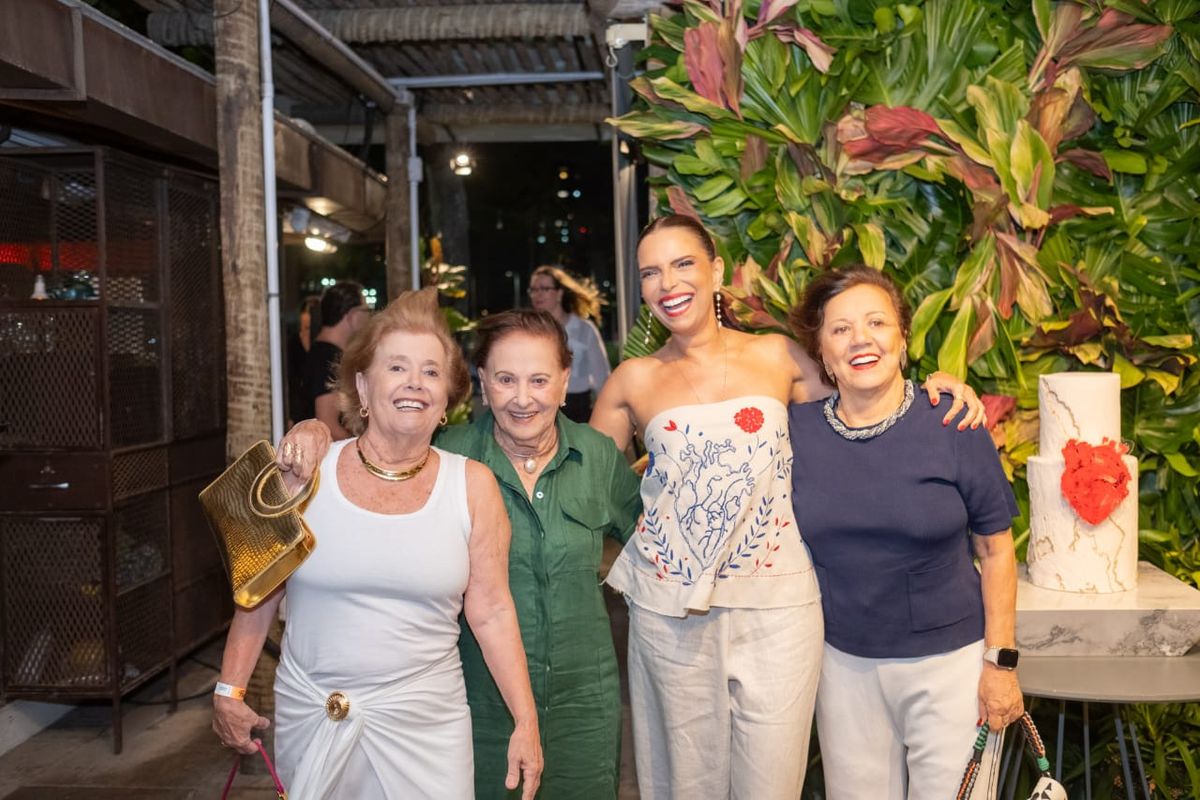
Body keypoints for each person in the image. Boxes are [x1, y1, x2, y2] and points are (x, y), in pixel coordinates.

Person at [589, 215, 986, 800]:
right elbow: (588, 483)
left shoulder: (777, 356)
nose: (667, 283)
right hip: (672, 616)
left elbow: (866, 410)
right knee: (685, 783)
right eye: (650, 271)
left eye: (682, 264)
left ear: (716, 270)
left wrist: (938, 391)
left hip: (779, 610)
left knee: (772, 786)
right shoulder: (632, 378)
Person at [282, 308, 643, 799]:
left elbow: (652, 540)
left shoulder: (597, 456)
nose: (522, 397)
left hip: (584, 701)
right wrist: (314, 430)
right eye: (505, 379)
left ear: (564, 382)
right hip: (478, 704)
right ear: (481, 383)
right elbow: (373, 462)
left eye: (539, 380)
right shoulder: (449, 457)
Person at [212, 288, 543, 800]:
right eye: (398, 368)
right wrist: (228, 690)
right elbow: (259, 593)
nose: (415, 383)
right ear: (362, 387)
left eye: (431, 372)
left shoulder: (474, 486)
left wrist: (525, 721)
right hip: (315, 712)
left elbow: (493, 611)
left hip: (427, 725)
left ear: (446, 401)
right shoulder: (302, 471)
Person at [787, 266, 1021, 799]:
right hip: (842, 667)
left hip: (952, 668)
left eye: (877, 322)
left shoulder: (953, 423)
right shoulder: (795, 432)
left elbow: (997, 549)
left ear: (903, 338)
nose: (861, 339)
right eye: (840, 329)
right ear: (821, 353)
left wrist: (1000, 665)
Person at [528, 265, 610, 423]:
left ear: (559, 294)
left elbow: (602, 378)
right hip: (539, 411)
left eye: (544, 289)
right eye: (533, 289)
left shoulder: (584, 329)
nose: (537, 295)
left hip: (577, 411)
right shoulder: (529, 330)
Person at [301, 280, 368, 439]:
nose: (369, 317)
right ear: (351, 316)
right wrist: (362, 451)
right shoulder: (328, 360)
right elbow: (327, 425)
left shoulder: (322, 353)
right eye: (366, 310)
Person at [287, 296, 321, 428]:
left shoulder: (324, 352)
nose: (306, 335)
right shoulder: (292, 348)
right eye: (304, 328)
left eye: (310, 329)